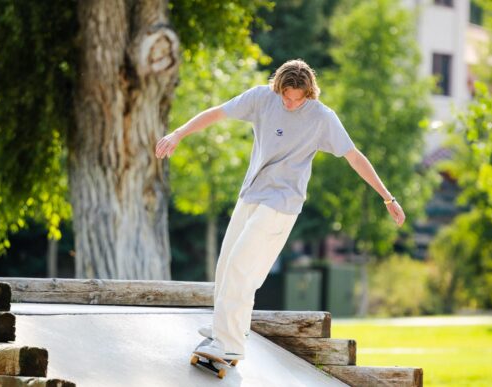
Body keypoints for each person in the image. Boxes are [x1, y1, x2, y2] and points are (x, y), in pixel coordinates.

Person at [155, 59, 405, 361]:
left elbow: (353, 156)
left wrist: (388, 198)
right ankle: (232, 327)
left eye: (297, 99)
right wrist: (178, 133)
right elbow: (218, 113)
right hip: (252, 194)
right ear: (279, 87)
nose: (290, 103)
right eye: (286, 96)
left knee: (241, 266)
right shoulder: (262, 97)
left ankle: (229, 342)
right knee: (226, 266)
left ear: (309, 93)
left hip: (281, 203)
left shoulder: (322, 117)